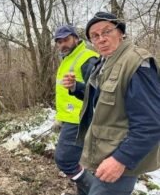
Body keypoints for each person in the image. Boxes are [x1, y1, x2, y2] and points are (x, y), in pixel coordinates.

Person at [63, 12, 160, 195]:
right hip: (101, 150)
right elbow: (103, 100)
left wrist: (121, 159)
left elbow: (151, 123)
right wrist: (76, 87)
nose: (101, 39)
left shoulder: (136, 64)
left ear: (121, 32)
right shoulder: (106, 62)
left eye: (107, 31)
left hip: (119, 158)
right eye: (95, 36)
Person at [53, 25, 98, 195]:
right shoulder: (67, 59)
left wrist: (76, 87)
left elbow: (98, 91)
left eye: (66, 39)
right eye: (59, 41)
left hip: (80, 119)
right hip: (69, 118)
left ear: (76, 38)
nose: (63, 44)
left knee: (65, 160)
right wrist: (59, 118)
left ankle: (99, 191)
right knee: (80, 163)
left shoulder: (87, 58)